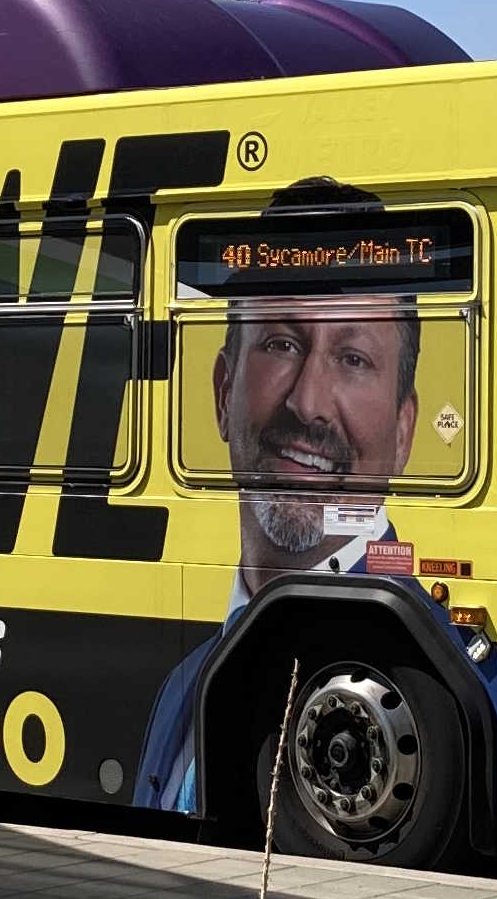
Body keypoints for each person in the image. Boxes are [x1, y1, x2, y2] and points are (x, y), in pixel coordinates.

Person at [131, 180, 425, 813]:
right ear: (222, 390)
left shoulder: (457, 672)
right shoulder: (186, 680)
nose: (307, 403)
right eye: (282, 344)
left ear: (404, 430)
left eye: (352, 358)